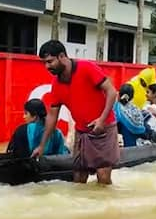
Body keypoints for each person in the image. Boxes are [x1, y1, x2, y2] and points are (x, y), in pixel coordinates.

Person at [32, 40, 119, 185]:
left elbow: (112, 91)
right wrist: (42, 145)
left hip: (103, 129)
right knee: (78, 177)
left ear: (61, 56)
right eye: (45, 63)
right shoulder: (56, 85)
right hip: (81, 132)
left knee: (103, 177)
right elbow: (52, 116)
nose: (47, 67)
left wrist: (101, 120)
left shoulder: (86, 67)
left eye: (50, 61)